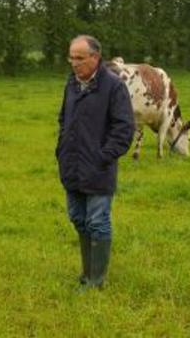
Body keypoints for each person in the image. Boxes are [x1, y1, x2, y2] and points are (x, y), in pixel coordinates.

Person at [56, 35, 135, 289]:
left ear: (95, 58)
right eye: (71, 57)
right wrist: (62, 149)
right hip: (72, 165)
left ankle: (96, 280)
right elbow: (63, 120)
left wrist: (103, 156)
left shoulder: (114, 88)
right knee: (78, 218)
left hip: (98, 168)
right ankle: (87, 273)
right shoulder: (71, 84)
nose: (74, 63)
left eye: (80, 58)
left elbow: (124, 130)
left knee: (98, 222)